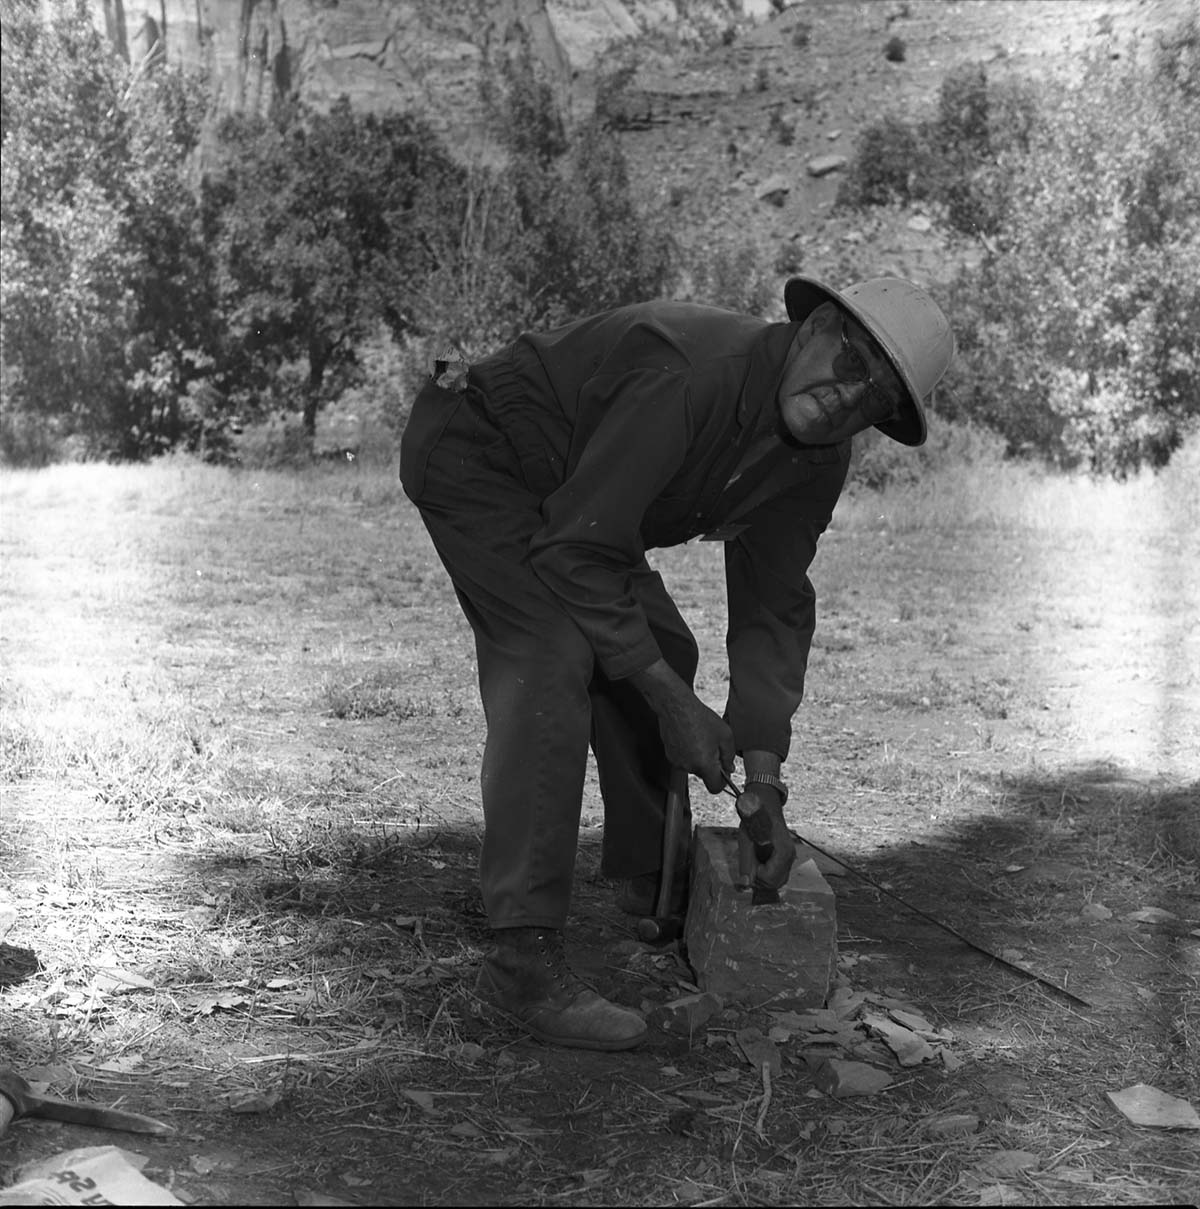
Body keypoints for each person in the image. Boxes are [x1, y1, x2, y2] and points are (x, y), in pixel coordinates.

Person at [399, 275, 954, 1052]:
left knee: (665, 652)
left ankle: (649, 885)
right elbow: (576, 549)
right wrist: (669, 701)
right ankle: (520, 965)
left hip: (574, 499)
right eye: (849, 359)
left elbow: (773, 604)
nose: (845, 397)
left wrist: (762, 780)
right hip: (480, 451)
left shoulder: (819, 459)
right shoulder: (691, 371)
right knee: (552, 655)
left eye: (873, 399)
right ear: (815, 325)